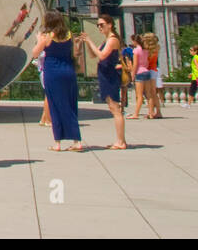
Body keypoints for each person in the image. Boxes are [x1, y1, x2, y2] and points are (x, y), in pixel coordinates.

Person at [31, 12, 81, 151]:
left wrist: (38, 39)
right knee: (70, 104)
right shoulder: (68, 35)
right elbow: (75, 52)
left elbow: (35, 53)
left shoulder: (47, 37)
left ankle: (58, 142)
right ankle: (76, 140)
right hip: (68, 71)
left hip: (53, 72)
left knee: (55, 106)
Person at [78, 15, 127, 149]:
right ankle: (120, 140)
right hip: (105, 75)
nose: (100, 27)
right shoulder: (107, 40)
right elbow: (94, 54)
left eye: (102, 24)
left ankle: (121, 141)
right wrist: (87, 42)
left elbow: (102, 55)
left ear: (110, 24)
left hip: (110, 75)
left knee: (115, 108)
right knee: (113, 107)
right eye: (98, 25)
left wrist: (89, 40)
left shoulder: (112, 40)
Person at [128, 34, 152, 119]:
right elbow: (147, 63)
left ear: (135, 41)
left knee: (139, 95)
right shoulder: (145, 50)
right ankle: (151, 113)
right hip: (146, 71)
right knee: (149, 94)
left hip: (139, 72)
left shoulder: (136, 50)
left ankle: (136, 114)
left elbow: (135, 64)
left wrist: (132, 74)